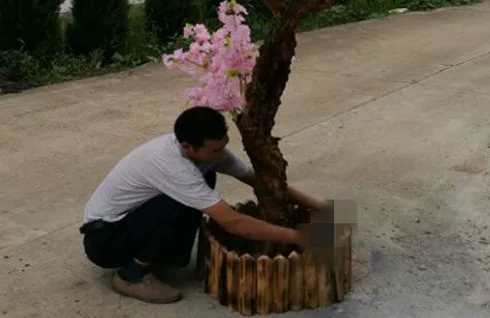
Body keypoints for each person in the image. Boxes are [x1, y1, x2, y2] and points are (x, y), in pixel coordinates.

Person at [80, 106, 325, 304]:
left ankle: (157, 255)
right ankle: (130, 276)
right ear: (187, 146)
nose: (222, 154)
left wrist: (321, 207)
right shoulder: (172, 166)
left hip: (132, 220)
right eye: (215, 150)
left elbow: (257, 181)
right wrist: (299, 237)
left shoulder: (208, 151)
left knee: (205, 179)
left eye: (224, 146)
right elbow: (232, 222)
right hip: (105, 240)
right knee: (180, 202)